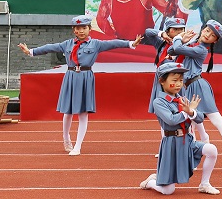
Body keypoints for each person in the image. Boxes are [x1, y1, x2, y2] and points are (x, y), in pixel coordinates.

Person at [18, 15, 141, 156]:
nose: (81, 31)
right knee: (68, 111)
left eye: (84, 28)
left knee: (83, 112)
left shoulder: (96, 44)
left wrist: (131, 44)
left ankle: (78, 145)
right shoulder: (67, 44)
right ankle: (66, 139)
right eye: (77, 28)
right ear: (73, 30)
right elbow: (50, 47)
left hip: (85, 78)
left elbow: (113, 43)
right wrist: (31, 51)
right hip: (70, 77)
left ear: (89, 29)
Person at [170, 20, 222, 172]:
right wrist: (183, 40)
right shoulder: (193, 44)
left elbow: (176, 48)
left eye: (212, 35)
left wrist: (178, 38)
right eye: (207, 30)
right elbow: (172, 51)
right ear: (203, 29)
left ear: (215, 41)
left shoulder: (201, 50)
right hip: (189, 87)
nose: (208, 35)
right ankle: (193, 156)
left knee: (216, 119)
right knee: (190, 122)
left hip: (198, 86)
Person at [139, 61, 220, 195]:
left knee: (211, 150)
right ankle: (151, 182)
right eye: (174, 80)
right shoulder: (159, 102)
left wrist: (192, 112)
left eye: (181, 80)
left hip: (187, 140)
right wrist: (186, 112)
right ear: (162, 81)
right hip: (171, 145)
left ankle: (204, 184)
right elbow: (171, 120)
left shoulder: (182, 99)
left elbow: (200, 118)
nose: (178, 84)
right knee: (168, 190)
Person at [143, 16, 187, 116]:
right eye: (175, 29)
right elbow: (148, 32)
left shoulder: (185, 45)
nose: (179, 32)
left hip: (177, 79)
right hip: (163, 79)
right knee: (162, 107)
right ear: (168, 31)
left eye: (181, 29)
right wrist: (162, 34)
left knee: (180, 106)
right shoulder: (161, 44)